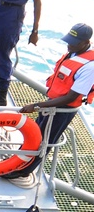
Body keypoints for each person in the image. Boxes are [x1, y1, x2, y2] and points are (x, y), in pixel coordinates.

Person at [8, 24, 94, 180]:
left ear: (86, 42)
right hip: (53, 101)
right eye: (69, 41)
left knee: (44, 140)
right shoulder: (74, 52)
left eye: (74, 43)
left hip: (63, 109)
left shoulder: (90, 66)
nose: (69, 45)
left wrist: (36, 106)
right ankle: (18, 161)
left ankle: (23, 171)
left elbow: (71, 97)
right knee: (35, 133)